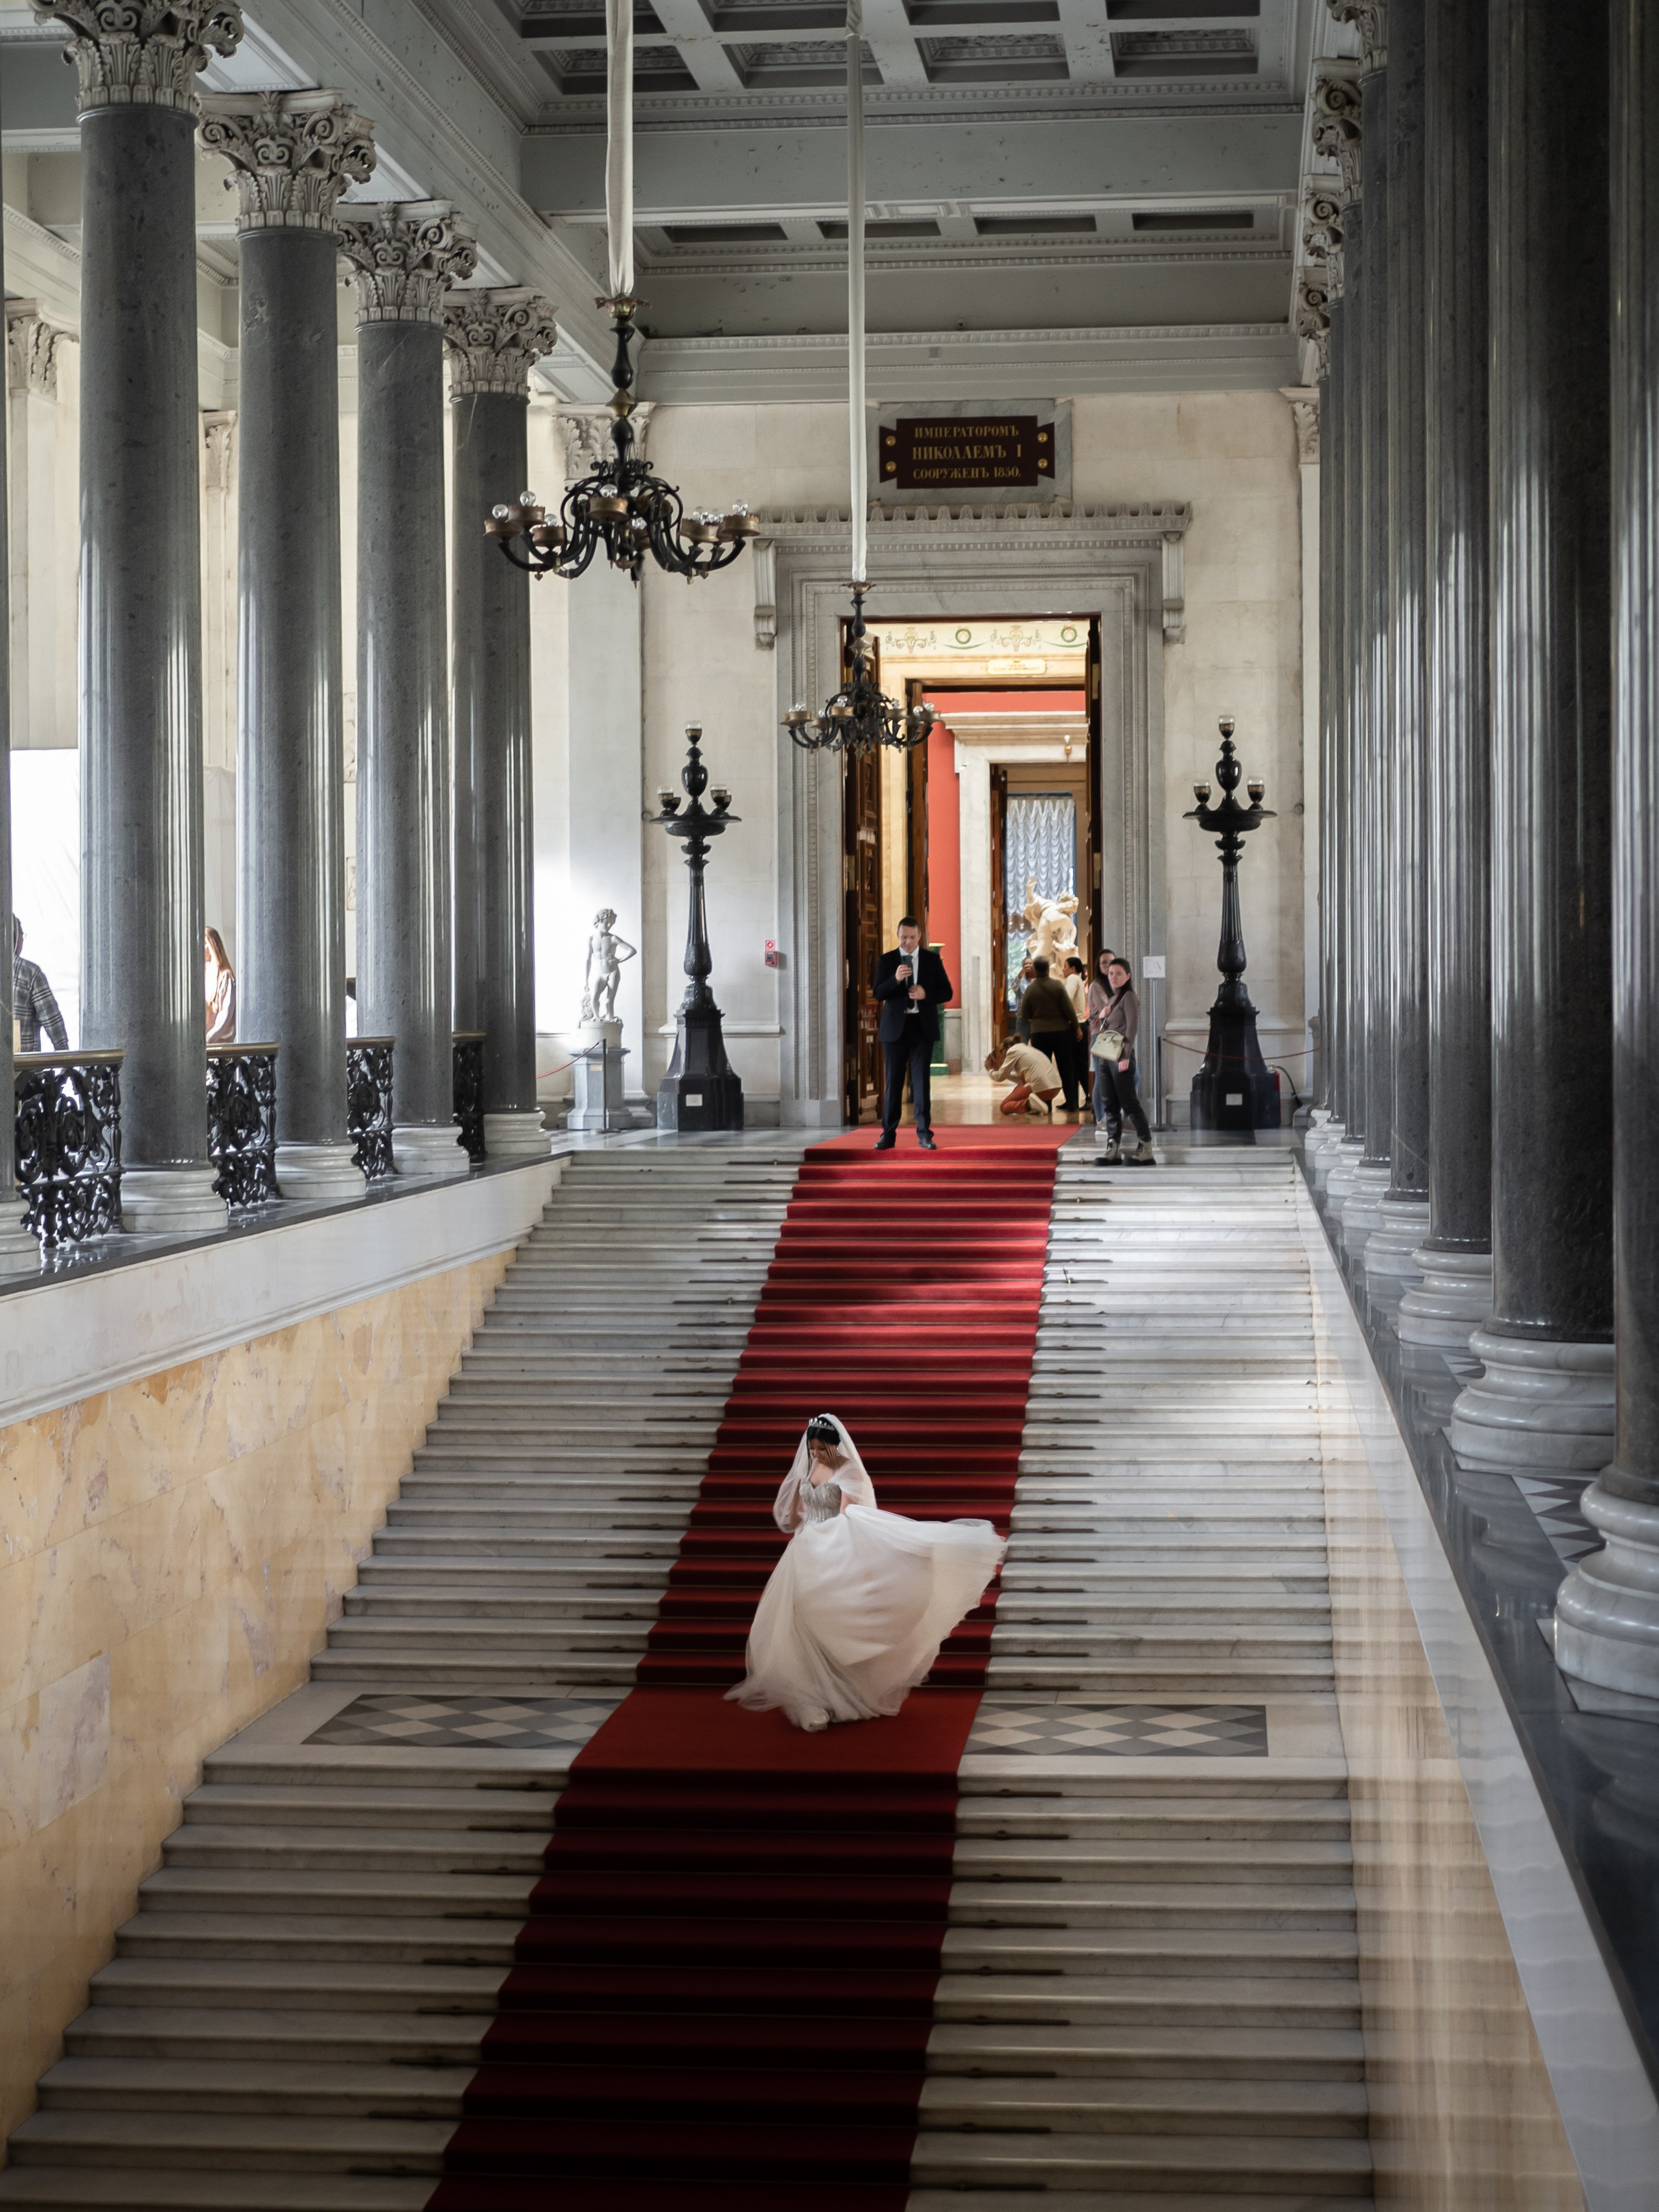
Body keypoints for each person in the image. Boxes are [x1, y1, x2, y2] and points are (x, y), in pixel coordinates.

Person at [726, 1414, 1005, 1732]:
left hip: (834, 1548)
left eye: (820, 1448)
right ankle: (809, 1697)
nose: (814, 1454)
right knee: (801, 1620)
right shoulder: (811, 1467)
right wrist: (796, 1498)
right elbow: (792, 1521)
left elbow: (850, 1513)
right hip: (805, 1551)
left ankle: (841, 1694)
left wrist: (823, 1522)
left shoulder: (851, 1472)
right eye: (811, 1448)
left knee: (835, 1620)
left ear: (835, 1445)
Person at [873, 916, 952, 1152]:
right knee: (893, 1085)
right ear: (898, 936)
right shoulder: (886, 960)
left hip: (921, 1029)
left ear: (920, 937)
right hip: (895, 1031)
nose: (907, 942)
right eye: (903, 937)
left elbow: (947, 992)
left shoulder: (931, 960)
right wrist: (895, 979)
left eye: (912, 938)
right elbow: (878, 993)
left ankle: (925, 1134)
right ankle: (888, 1134)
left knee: (921, 1085)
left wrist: (926, 993)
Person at [1091, 954, 1154, 1167]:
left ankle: (1145, 1147)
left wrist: (1126, 1056)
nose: (1114, 977)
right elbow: (1106, 1028)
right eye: (1111, 973)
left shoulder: (1129, 997)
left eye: (1119, 973)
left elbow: (1132, 1027)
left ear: (1128, 976)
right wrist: (1103, 1015)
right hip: (1105, 1056)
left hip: (1120, 1057)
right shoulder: (1112, 999)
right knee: (1110, 1104)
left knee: (1129, 1103)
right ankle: (1113, 1148)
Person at [1018, 956, 1081, 1111]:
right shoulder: (1058, 986)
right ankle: (1072, 1103)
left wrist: (1037, 1016)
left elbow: (1024, 1014)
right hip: (1061, 1033)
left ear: (1035, 970)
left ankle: (1046, 1104)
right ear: (1048, 969)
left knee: (1042, 1071)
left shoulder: (1031, 989)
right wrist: (1077, 1027)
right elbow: (1069, 1009)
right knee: (1066, 1068)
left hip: (1039, 1034)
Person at [12, 914, 67, 1054]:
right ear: (16, 937)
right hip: (21, 1071)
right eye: (22, 935)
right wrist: (65, 1057)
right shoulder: (29, 973)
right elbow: (52, 1020)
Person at [984, 1039, 1062, 1117]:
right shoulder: (1027, 1049)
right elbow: (1018, 1079)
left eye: (1001, 1051)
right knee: (1021, 1084)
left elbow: (999, 1077)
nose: (1001, 1056)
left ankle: (1029, 1104)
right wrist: (1000, 1071)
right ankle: (1034, 1105)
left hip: (1042, 1089)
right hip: (1056, 1089)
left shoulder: (1012, 1051)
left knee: (1004, 1106)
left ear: (1007, 1047)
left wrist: (990, 1069)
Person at [204, 927, 236, 1043]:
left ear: (213, 946)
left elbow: (226, 1015)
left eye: (204, 943)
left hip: (219, 1045)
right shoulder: (203, 975)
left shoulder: (225, 977)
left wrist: (209, 1038)